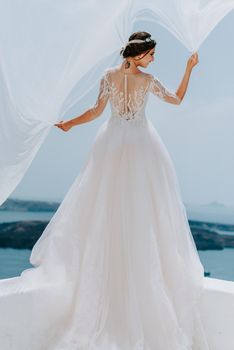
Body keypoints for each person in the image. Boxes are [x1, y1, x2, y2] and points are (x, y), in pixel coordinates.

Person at [0, 31, 209, 350]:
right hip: (142, 149)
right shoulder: (148, 80)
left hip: (110, 146)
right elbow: (178, 100)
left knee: (103, 210)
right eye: (151, 54)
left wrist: (69, 123)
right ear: (139, 55)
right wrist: (190, 68)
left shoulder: (108, 77)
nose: (153, 59)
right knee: (142, 214)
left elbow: (96, 112)